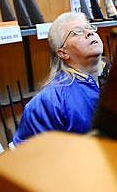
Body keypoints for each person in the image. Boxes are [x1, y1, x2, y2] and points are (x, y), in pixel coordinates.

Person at [13, 12, 105, 145]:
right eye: (77, 32)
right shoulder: (49, 102)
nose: (90, 33)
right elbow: (32, 158)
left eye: (90, 27)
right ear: (63, 52)